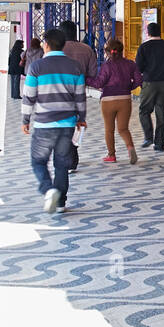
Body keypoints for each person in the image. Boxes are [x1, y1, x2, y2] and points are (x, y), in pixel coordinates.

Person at [21, 29, 87, 214]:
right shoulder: (75, 67)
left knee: (38, 162)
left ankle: (48, 190)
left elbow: (28, 97)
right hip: (67, 124)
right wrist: (81, 118)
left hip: (43, 125)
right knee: (61, 165)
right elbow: (80, 98)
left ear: (47, 44)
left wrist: (25, 119)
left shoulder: (36, 67)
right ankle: (60, 203)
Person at [91, 38, 141, 164]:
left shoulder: (106, 66)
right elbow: (139, 80)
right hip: (125, 99)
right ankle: (130, 148)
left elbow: (99, 83)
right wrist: (129, 87)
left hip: (108, 100)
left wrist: (85, 79)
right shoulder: (130, 64)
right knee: (123, 129)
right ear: (121, 51)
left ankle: (111, 155)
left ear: (108, 52)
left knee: (109, 129)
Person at [59, 20, 98, 172]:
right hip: (79, 94)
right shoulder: (87, 49)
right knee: (75, 125)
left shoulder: (56, 50)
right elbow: (93, 73)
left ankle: (68, 160)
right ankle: (73, 158)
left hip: (59, 93)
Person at [136, 21, 164, 152]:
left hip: (149, 83)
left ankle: (148, 137)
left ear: (147, 33)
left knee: (144, 110)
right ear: (160, 32)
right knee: (161, 113)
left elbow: (138, 67)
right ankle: (159, 144)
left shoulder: (143, 47)